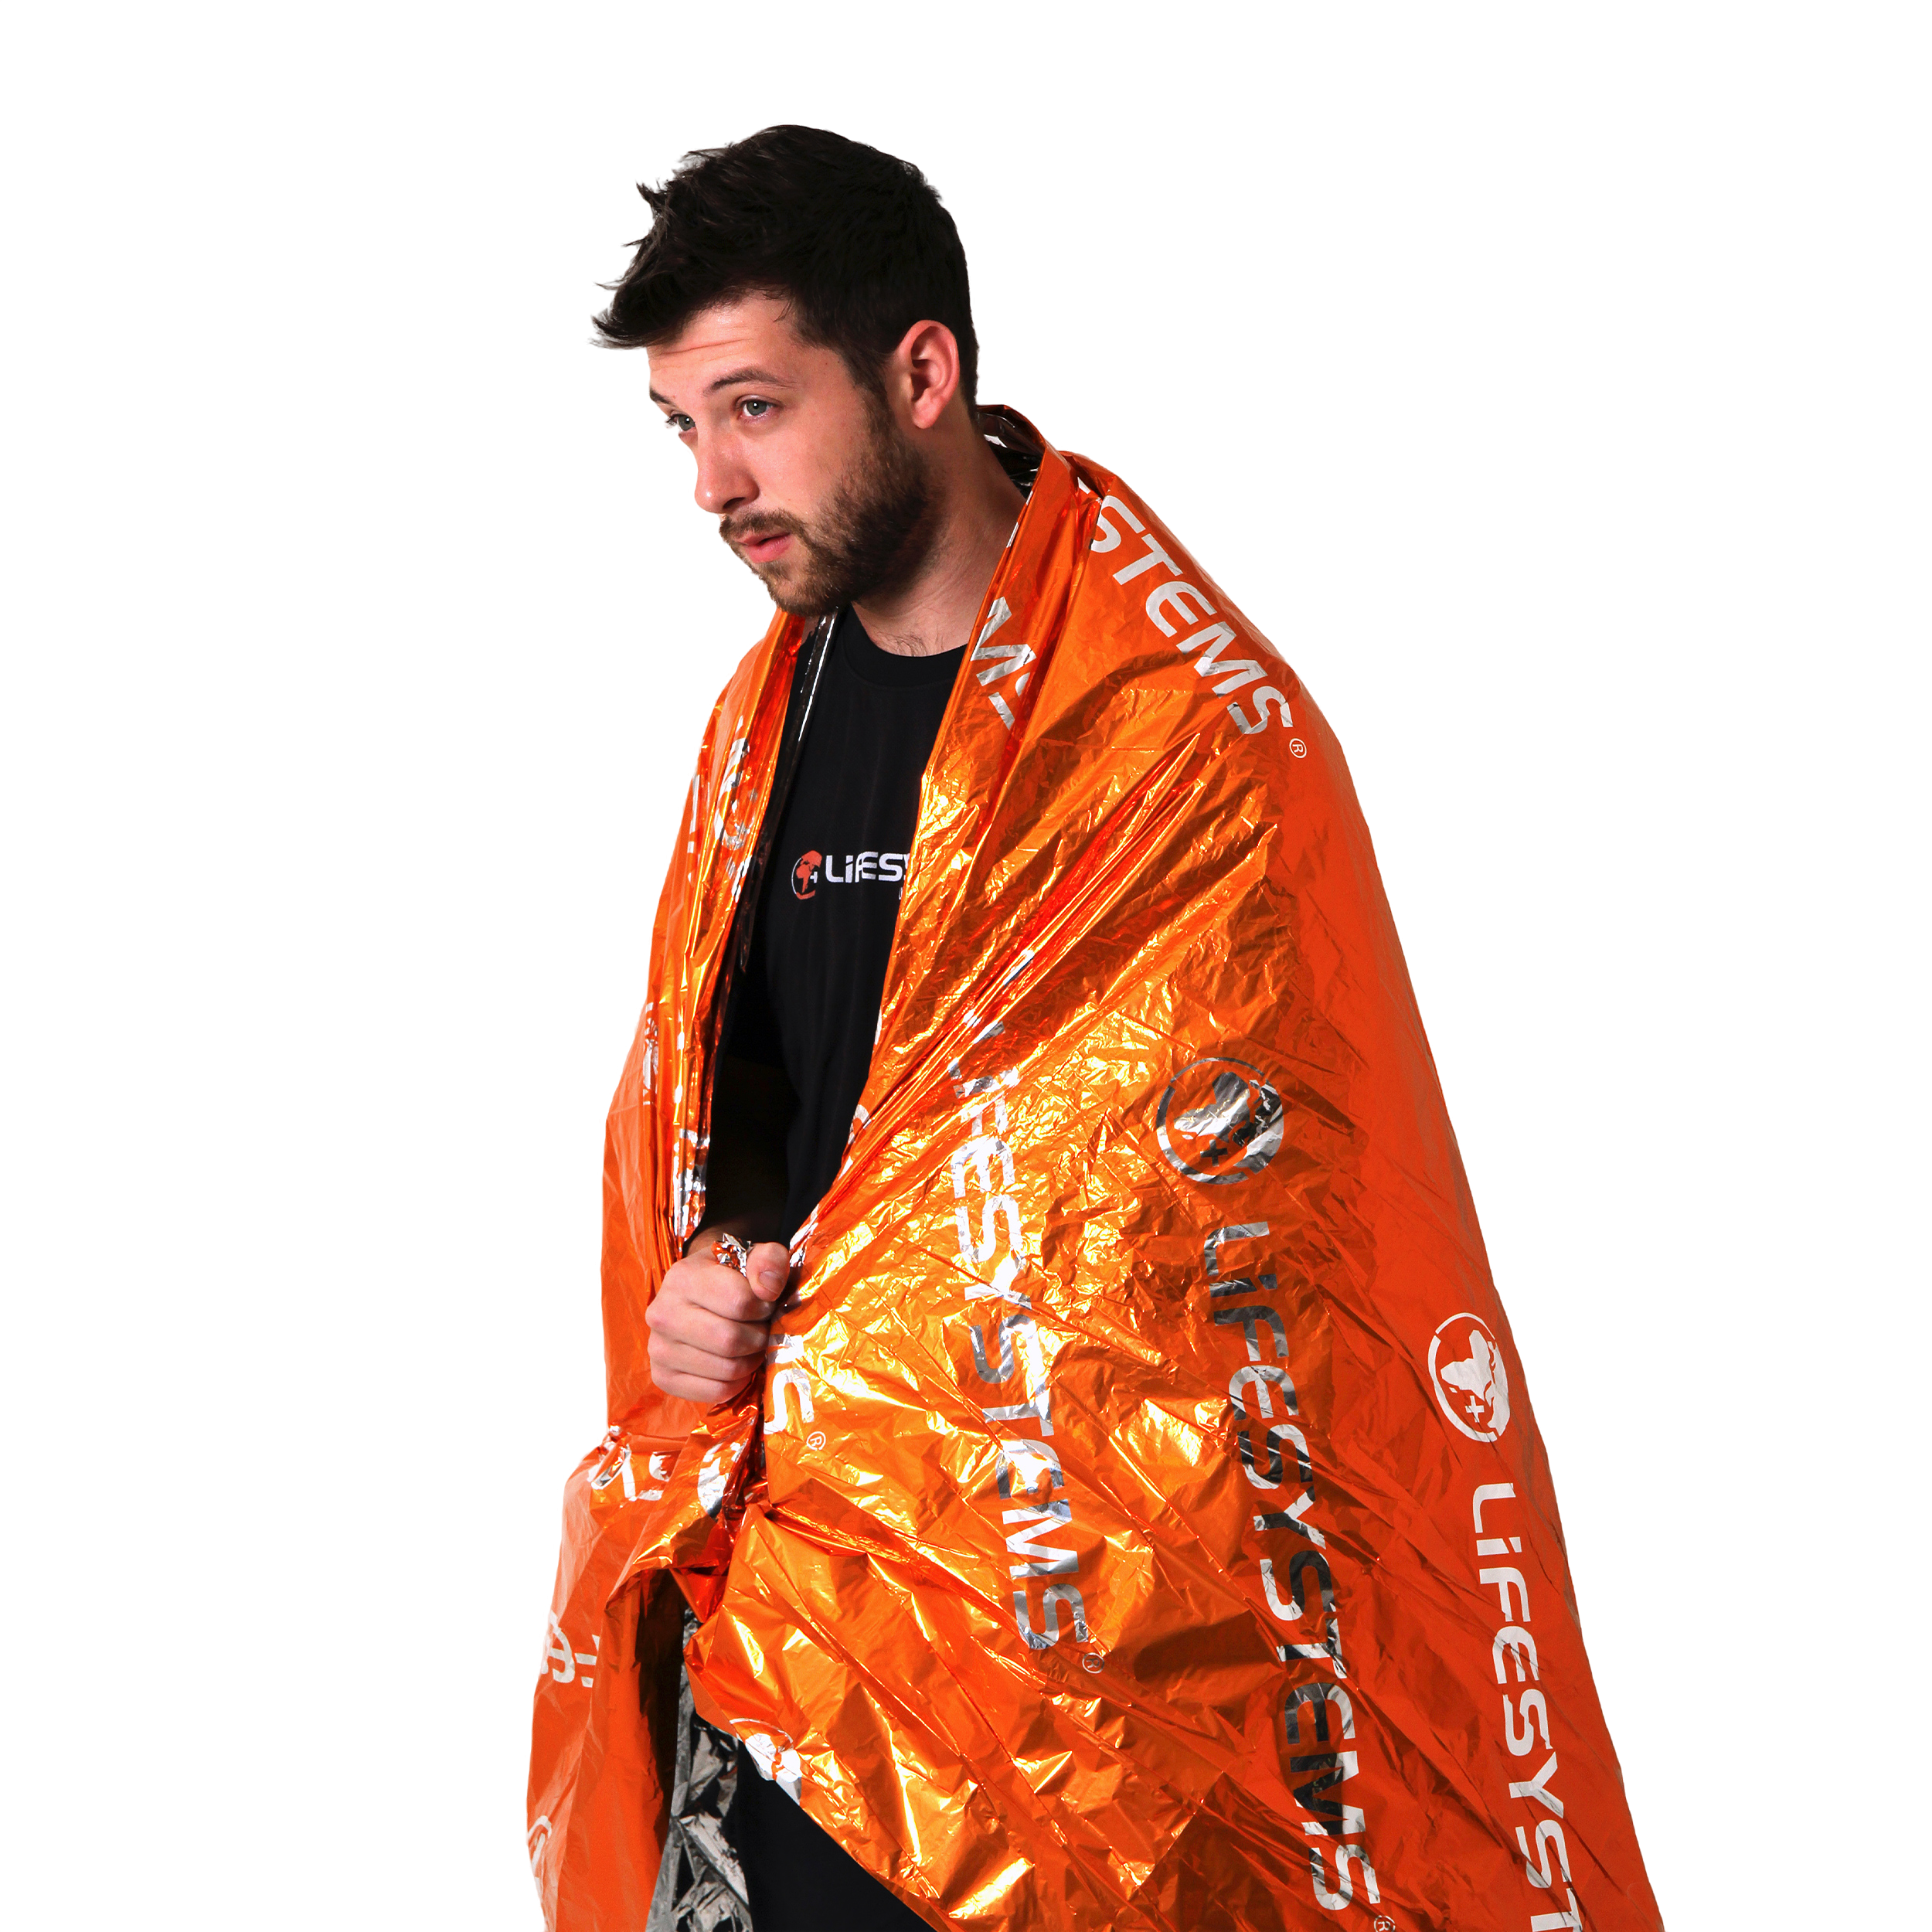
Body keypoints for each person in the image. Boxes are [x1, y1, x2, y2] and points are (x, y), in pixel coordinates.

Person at [525, 123, 1662, 1932]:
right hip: (798, 1645)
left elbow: (1278, 1260)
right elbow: (748, 1128)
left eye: (752, 409)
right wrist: (708, 1270)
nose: (710, 484)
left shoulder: (1187, 726)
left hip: (1107, 1662)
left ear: (918, 374)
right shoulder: (759, 717)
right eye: (679, 431)